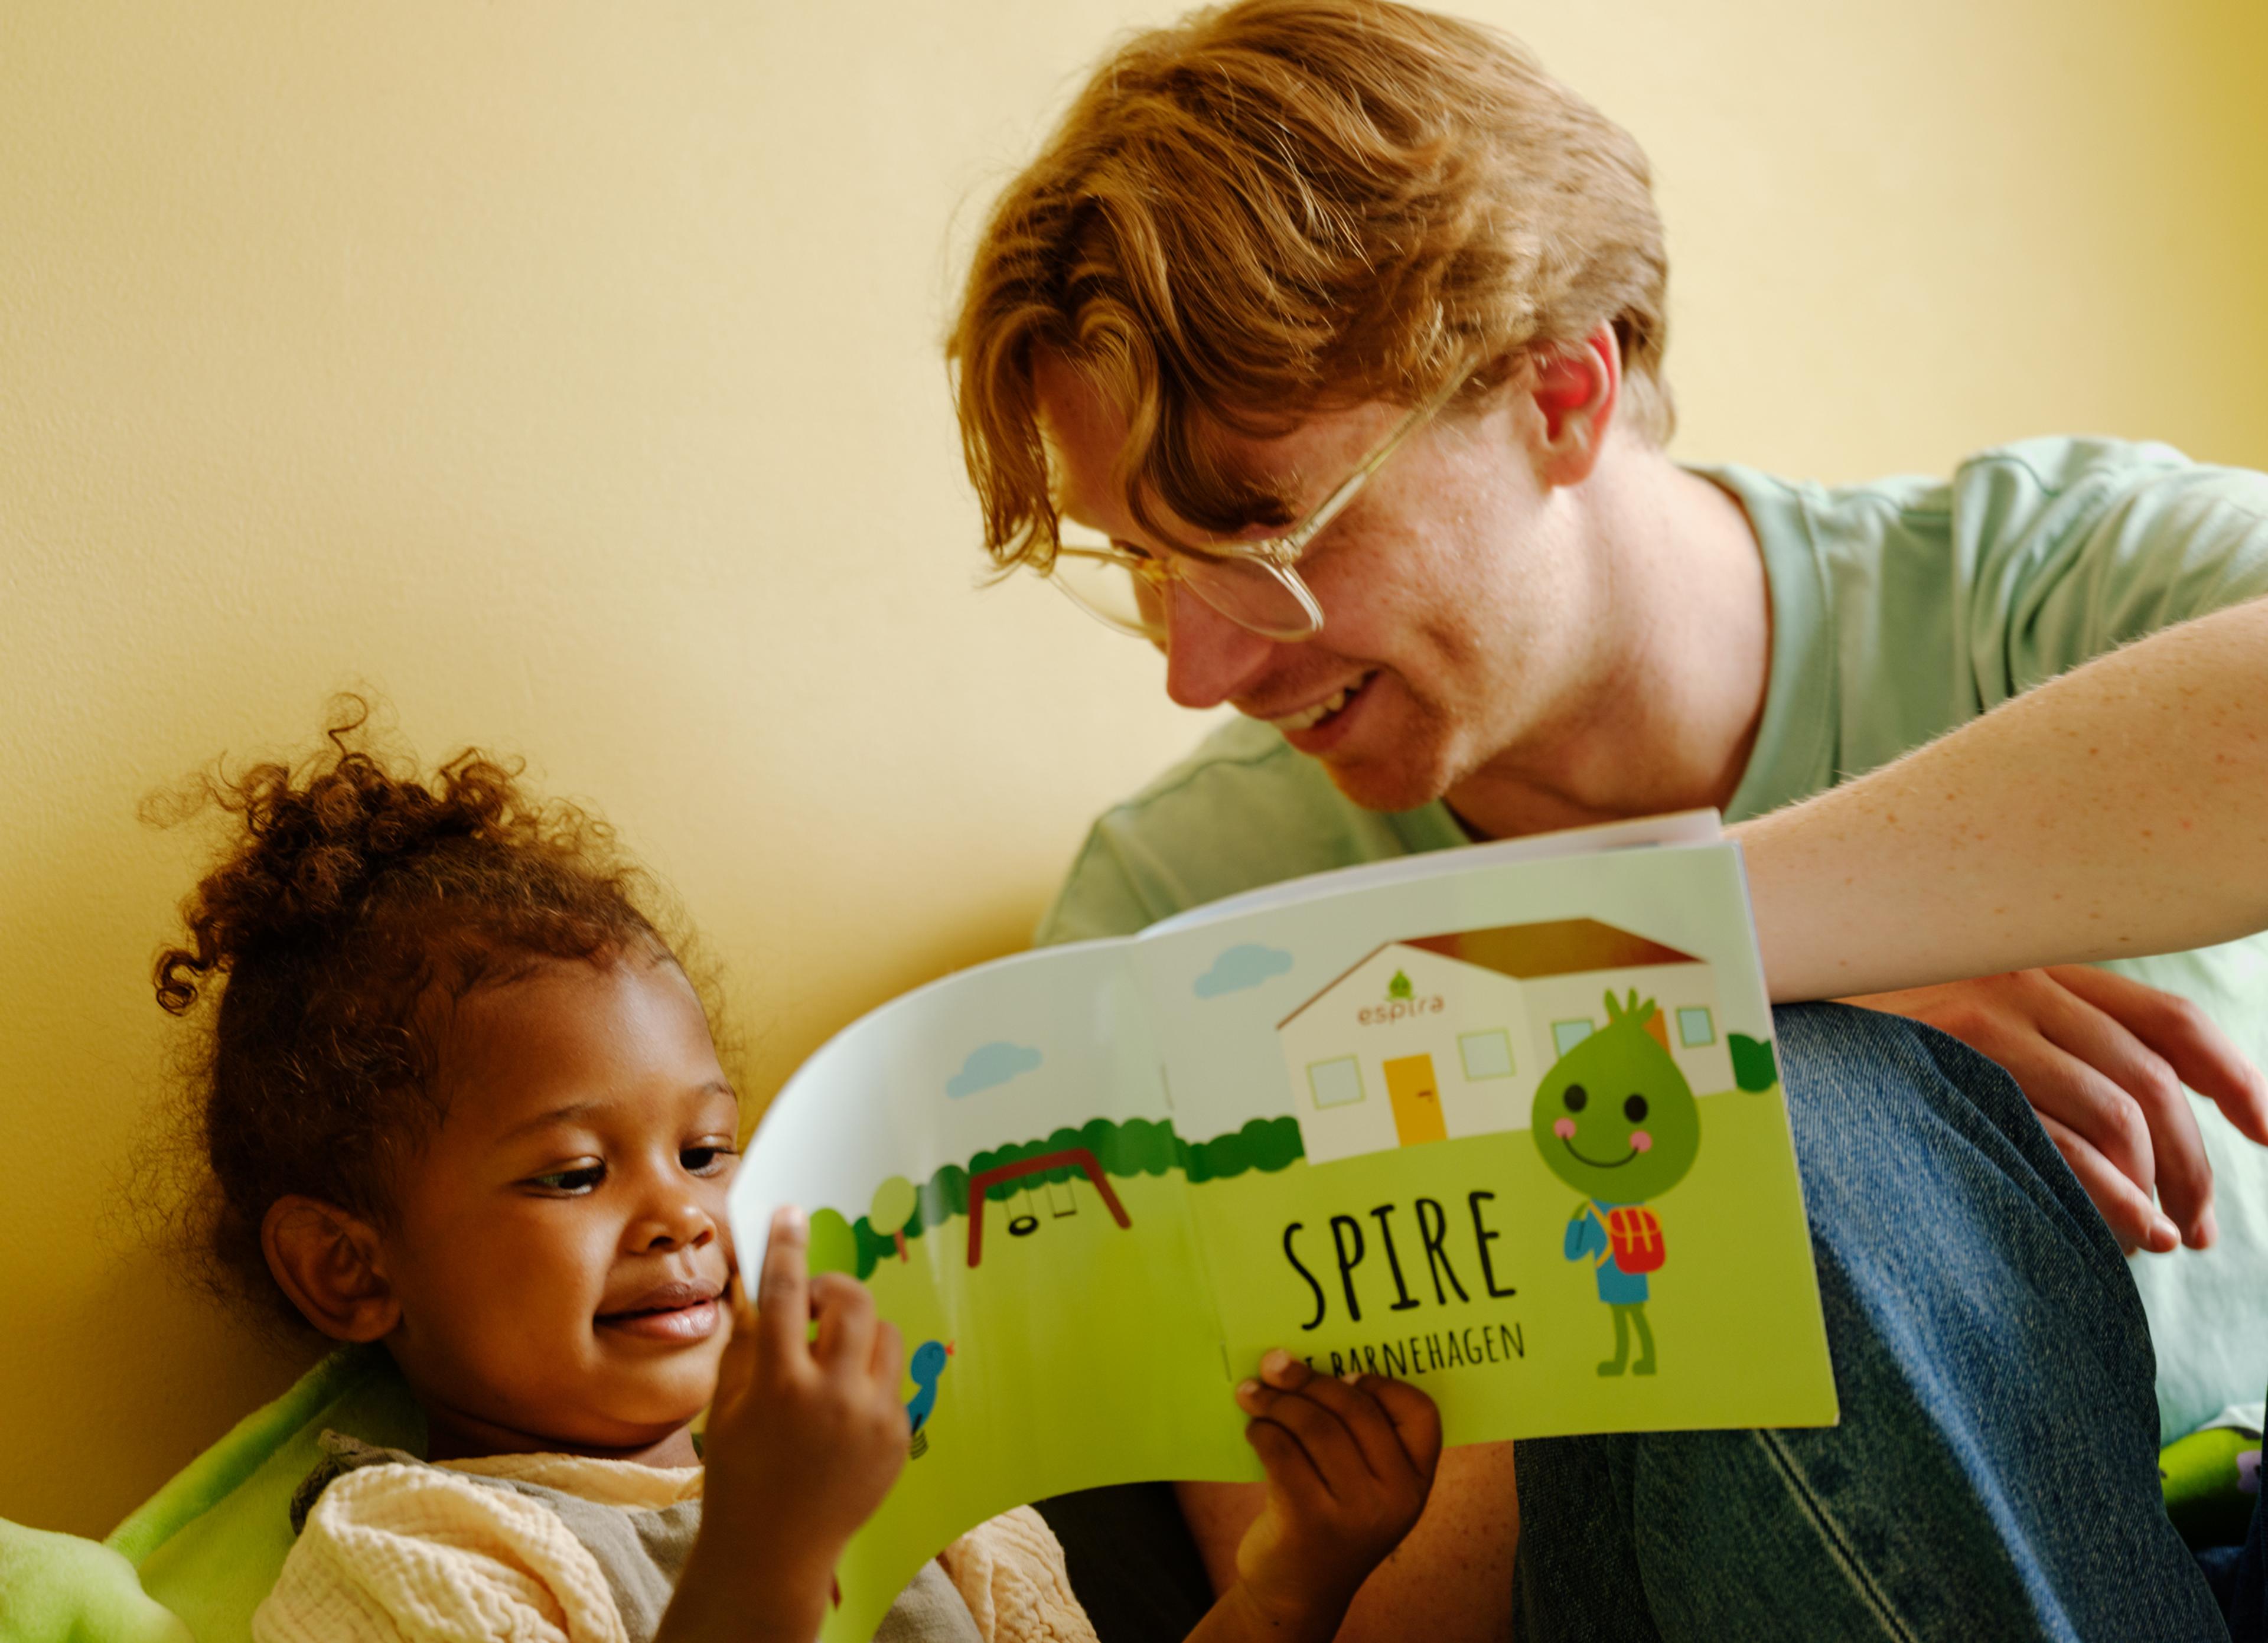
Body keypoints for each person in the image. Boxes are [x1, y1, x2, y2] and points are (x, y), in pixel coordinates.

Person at [946, 0, 2268, 1635]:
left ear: (1561, 392)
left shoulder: (2048, 585)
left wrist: (1712, 957)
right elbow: (1361, 1614)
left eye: (1261, 529)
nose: (1201, 668)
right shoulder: (1177, 908)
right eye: (1142, 567)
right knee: (1784, 1142)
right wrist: (1694, 1099)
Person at [151, 705, 1445, 1643]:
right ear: (350, 1264)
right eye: (574, 1172)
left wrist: (1296, 1579)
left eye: (707, 1150)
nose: (679, 1212)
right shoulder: (411, 1557)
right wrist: (767, 1543)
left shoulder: (931, 1492)